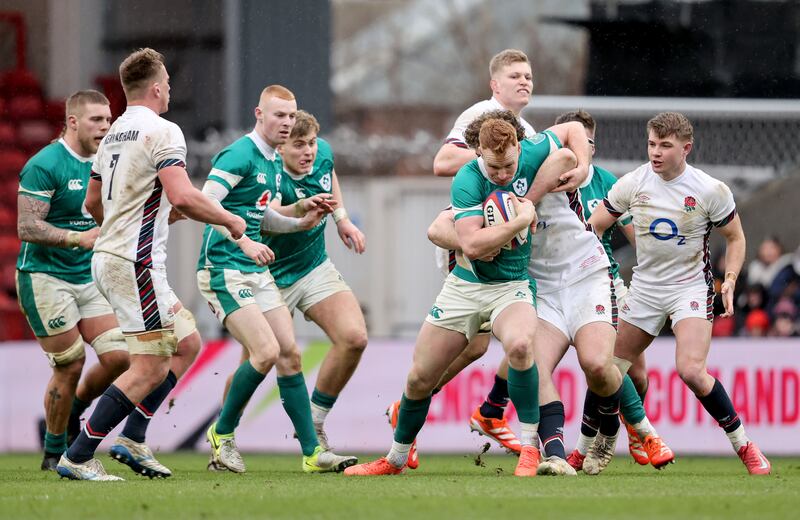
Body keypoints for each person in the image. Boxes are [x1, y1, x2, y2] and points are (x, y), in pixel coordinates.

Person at [344, 116, 577, 477]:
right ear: (479, 152)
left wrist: (530, 195)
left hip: (510, 286)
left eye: (509, 166)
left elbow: (567, 149)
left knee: (519, 346)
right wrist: (518, 221)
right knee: (420, 378)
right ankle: (394, 459)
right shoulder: (468, 177)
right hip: (465, 287)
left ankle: (530, 448)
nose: (502, 174)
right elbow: (471, 244)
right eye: (494, 167)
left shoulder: (530, 153)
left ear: (519, 146)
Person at [56, 48, 242, 481]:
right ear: (158, 88)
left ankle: (133, 436)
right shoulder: (164, 130)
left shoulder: (115, 132)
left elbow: (91, 202)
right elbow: (181, 194)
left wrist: (129, 221)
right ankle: (79, 455)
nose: (170, 92)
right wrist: (230, 218)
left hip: (113, 258)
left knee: (187, 342)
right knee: (150, 365)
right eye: (169, 85)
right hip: (133, 263)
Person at [588, 111, 771, 475]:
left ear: (686, 148)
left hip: (689, 287)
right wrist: (595, 274)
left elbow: (735, 237)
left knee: (690, 370)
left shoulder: (709, 190)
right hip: (645, 287)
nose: (655, 152)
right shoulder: (633, 182)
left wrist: (731, 278)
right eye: (652, 144)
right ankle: (592, 446)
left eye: (665, 146)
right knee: (606, 369)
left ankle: (745, 445)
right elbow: (595, 227)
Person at [199, 87, 357, 474]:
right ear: (259, 114)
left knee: (290, 355)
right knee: (265, 353)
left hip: (256, 269)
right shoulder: (239, 154)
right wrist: (244, 240)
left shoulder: (272, 160)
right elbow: (205, 204)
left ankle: (312, 454)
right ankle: (222, 433)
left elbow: (261, 216)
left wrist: (298, 222)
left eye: (291, 115)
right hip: (223, 268)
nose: (286, 123)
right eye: (280, 115)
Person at [412, 49, 537, 455]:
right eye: (515, 76)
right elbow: (442, 160)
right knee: (470, 343)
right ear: (494, 85)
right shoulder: (481, 116)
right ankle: (415, 404)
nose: (524, 82)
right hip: (472, 241)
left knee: (482, 345)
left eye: (529, 76)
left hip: (499, 239)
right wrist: (496, 154)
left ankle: (478, 409)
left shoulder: (524, 127)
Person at [552, 110, 674, 472]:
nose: (580, 148)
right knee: (598, 367)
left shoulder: (607, 181)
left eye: (587, 142)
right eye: (573, 142)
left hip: (605, 282)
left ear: (593, 145)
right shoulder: (544, 181)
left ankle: (618, 435)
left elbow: (636, 234)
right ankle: (591, 443)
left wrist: (657, 270)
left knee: (634, 374)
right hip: (558, 287)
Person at [16, 90, 129, 471]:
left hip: (88, 274)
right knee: (70, 363)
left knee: (119, 357)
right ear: (73, 122)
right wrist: (74, 237)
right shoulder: (44, 164)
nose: (106, 126)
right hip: (45, 276)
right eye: (97, 120)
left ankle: (72, 414)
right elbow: (26, 225)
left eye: (109, 119)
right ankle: (52, 451)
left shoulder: (109, 162)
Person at [263, 110, 368, 449]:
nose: (308, 151)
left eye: (310, 143)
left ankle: (315, 422)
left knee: (354, 338)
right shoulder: (270, 171)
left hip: (313, 266)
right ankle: (225, 433)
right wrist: (300, 210)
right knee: (258, 361)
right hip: (268, 275)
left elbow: (329, 174)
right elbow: (269, 215)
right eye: (298, 145)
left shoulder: (321, 152)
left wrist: (342, 219)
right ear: (281, 148)